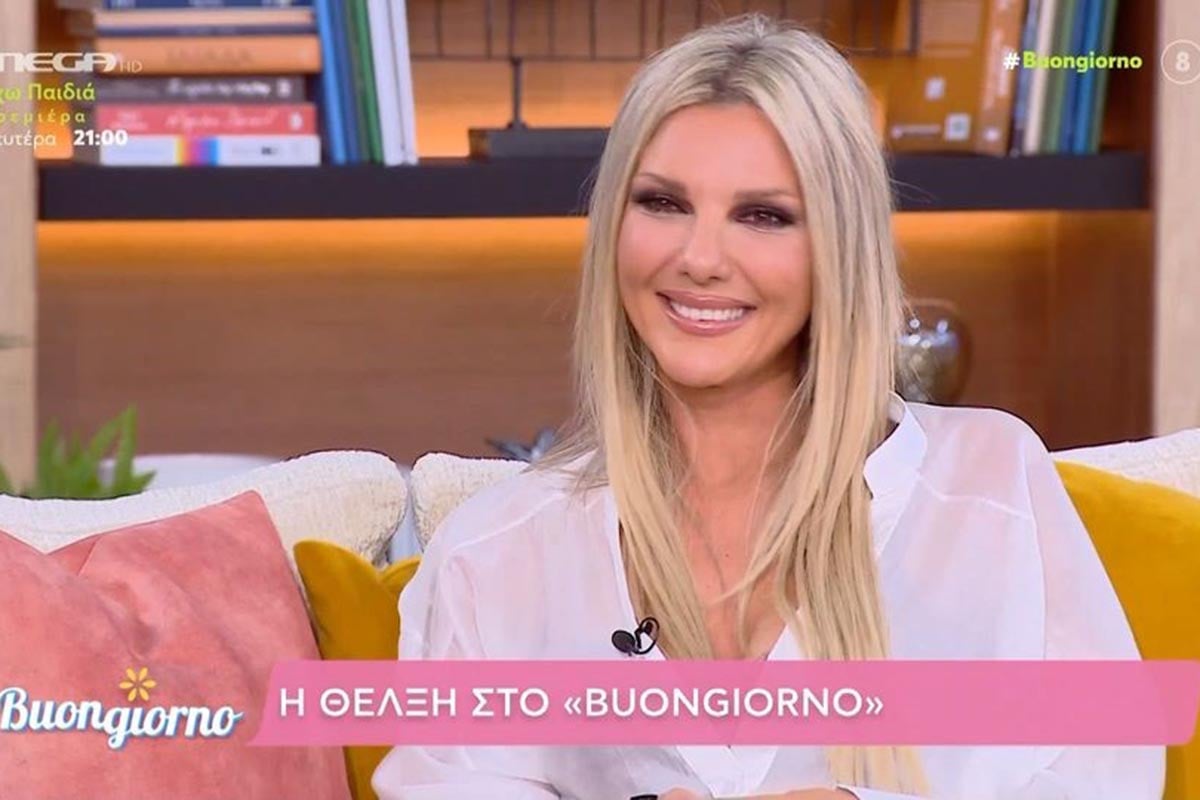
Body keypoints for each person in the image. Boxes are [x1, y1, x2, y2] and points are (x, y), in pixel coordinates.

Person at [372, 13, 1165, 799]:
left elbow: (1108, 778)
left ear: (837, 249)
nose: (700, 258)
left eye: (764, 216)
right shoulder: (499, 552)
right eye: (663, 203)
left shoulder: (989, 487)